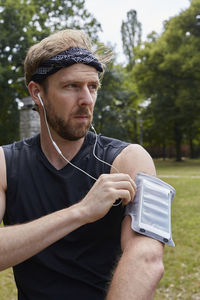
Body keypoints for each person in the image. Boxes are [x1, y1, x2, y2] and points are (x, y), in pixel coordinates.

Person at [0, 29, 164, 300]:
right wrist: (81, 212)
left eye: (93, 86)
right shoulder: (6, 164)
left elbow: (147, 258)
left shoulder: (129, 160)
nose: (87, 100)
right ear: (37, 93)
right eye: (71, 86)